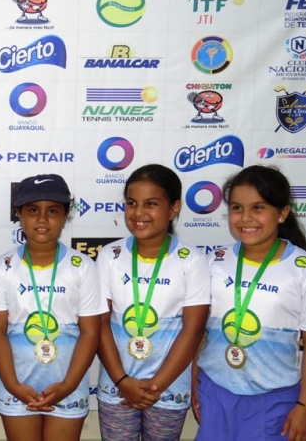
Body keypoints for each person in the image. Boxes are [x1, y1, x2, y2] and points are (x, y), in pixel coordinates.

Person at [193, 165, 306, 441]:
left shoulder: (305, 270)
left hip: (274, 401)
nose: (246, 218)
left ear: (282, 213)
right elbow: (201, 329)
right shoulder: (215, 262)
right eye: (237, 208)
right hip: (214, 390)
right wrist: (195, 379)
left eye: (258, 208)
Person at [96, 164, 210, 440]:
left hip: (168, 389)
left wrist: (155, 386)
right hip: (117, 388)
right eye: (131, 203)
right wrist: (123, 381)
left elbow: (193, 330)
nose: (139, 213)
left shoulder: (191, 260)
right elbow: (100, 324)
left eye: (151, 204)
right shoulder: (109, 256)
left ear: (174, 208)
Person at [0, 174, 107, 441]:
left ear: (66, 215)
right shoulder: (2, 267)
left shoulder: (83, 267)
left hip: (68, 384)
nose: (42, 219)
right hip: (17, 386)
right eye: (33, 210)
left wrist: (68, 384)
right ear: (19, 214)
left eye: (53, 211)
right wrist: (12, 385)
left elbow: (90, 332)